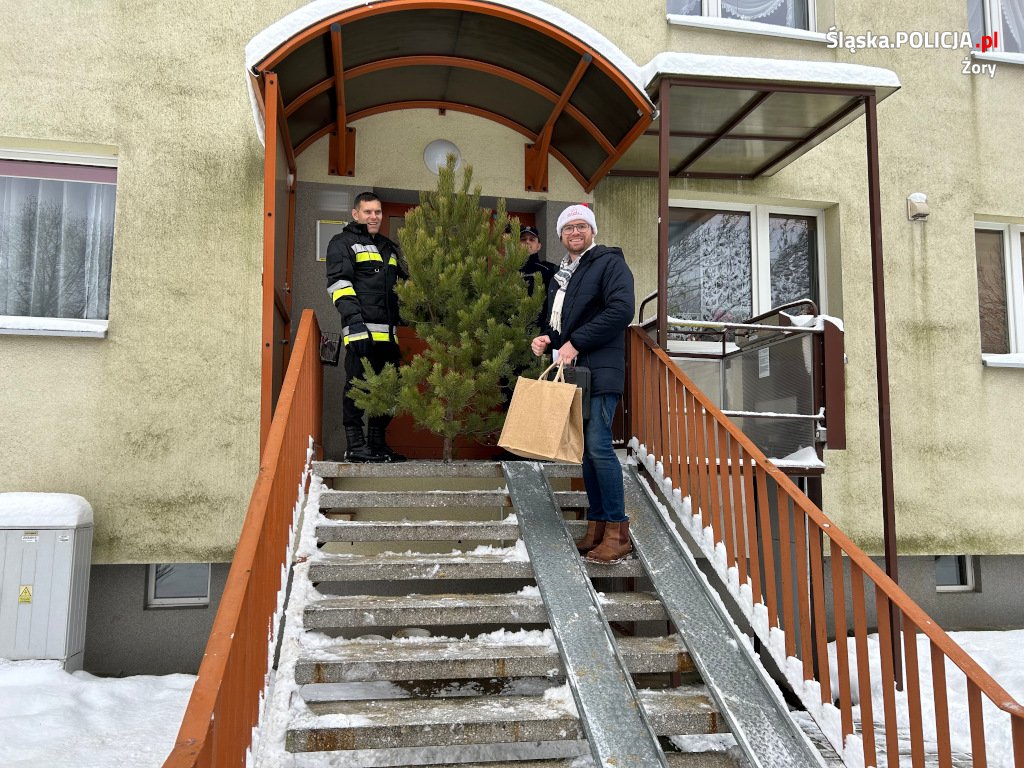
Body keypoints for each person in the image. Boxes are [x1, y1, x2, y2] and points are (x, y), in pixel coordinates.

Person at [530, 204, 635, 563]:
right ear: (560, 235)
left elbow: (621, 310)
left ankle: (618, 532)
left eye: (581, 226)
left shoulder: (609, 263)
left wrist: (575, 343)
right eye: (568, 228)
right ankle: (597, 526)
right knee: (586, 452)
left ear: (592, 231)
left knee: (599, 447)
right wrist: (547, 338)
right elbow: (561, 323)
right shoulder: (562, 277)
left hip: (601, 371)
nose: (575, 232)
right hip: (577, 374)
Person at [326, 192, 407, 463]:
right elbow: (339, 285)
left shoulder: (388, 247)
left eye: (378, 212)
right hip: (361, 332)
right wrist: (355, 323)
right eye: (368, 212)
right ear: (355, 214)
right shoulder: (342, 243)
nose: (374, 217)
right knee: (357, 388)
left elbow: (403, 289)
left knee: (388, 391)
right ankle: (355, 446)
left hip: (389, 337)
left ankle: (376, 444)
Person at [517, 224, 554, 299]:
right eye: (523, 239)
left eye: (532, 239)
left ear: (539, 246)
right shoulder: (511, 271)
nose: (527, 241)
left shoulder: (549, 270)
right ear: (517, 245)